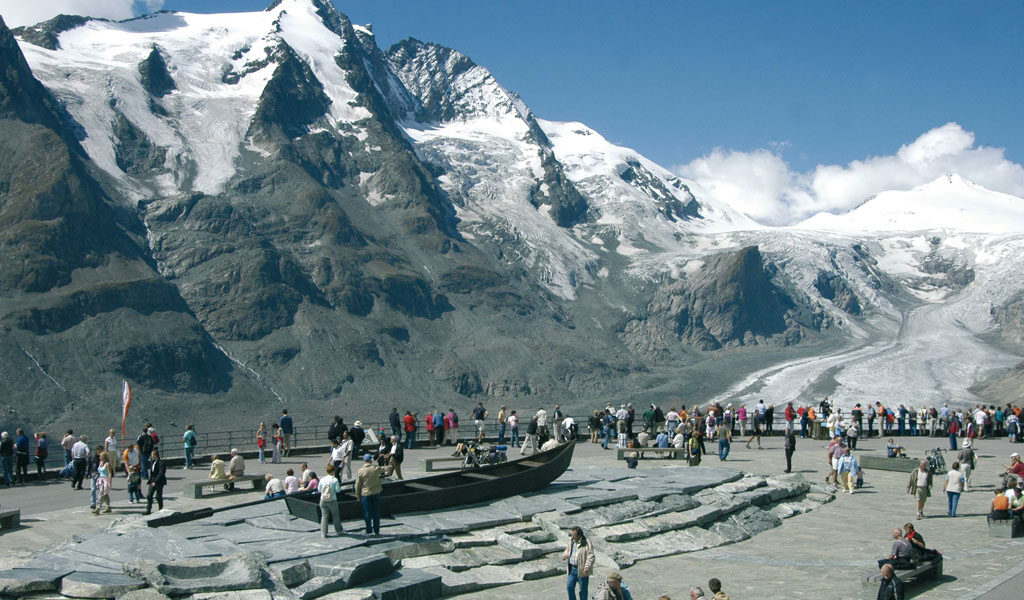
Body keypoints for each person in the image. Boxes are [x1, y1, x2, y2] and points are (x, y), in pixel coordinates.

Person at [563, 526, 594, 600]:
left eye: (574, 535)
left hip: (582, 569)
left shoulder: (586, 543)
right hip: (572, 569)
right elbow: (567, 550)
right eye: (572, 535)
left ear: (579, 535)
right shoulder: (571, 542)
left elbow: (591, 556)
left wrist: (587, 567)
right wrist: (565, 555)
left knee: (582, 590)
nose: (572, 537)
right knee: (569, 587)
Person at [355, 454, 383, 535]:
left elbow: (357, 485)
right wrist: (391, 466)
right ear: (371, 460)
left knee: (367, 513)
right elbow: (384, 469)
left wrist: (358, 496)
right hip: (376, 493)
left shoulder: (360, 471)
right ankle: (377, 530)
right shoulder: (375, 468)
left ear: (364, 460)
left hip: (366, 494)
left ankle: (368, 530)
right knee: (376, 512)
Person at [318, 464, 343, 537]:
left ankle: (323, 533)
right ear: (333, 471)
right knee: (335, 515)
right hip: (332, 499)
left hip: (323, 499)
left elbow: (319, 490)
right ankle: (338, 530)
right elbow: (338, 490)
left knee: (324, 516)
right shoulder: (334, 479)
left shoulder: (322, 479)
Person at [144, 450, 166, 515]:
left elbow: (161, 473)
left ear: (155, 455)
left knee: (158, 496)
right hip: (152, 480)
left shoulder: (161, 463)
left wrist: (156, 482)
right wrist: (151, 480)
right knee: (149, 495)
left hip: (159, 481)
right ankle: (148, 509)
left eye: (152, 455)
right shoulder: (153, 462)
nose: (151, 456)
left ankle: (161, 509)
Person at [92, 450, 112, 514]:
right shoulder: (100, 463)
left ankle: (98, 508)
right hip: (100, 479)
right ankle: (108, 507)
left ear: (104, 457)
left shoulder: (107, 464)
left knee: (101, 493)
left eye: (101, 456)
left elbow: (109, 473)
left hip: (105, 480)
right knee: (105, 494)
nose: (99, 457)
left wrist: (109, 482)